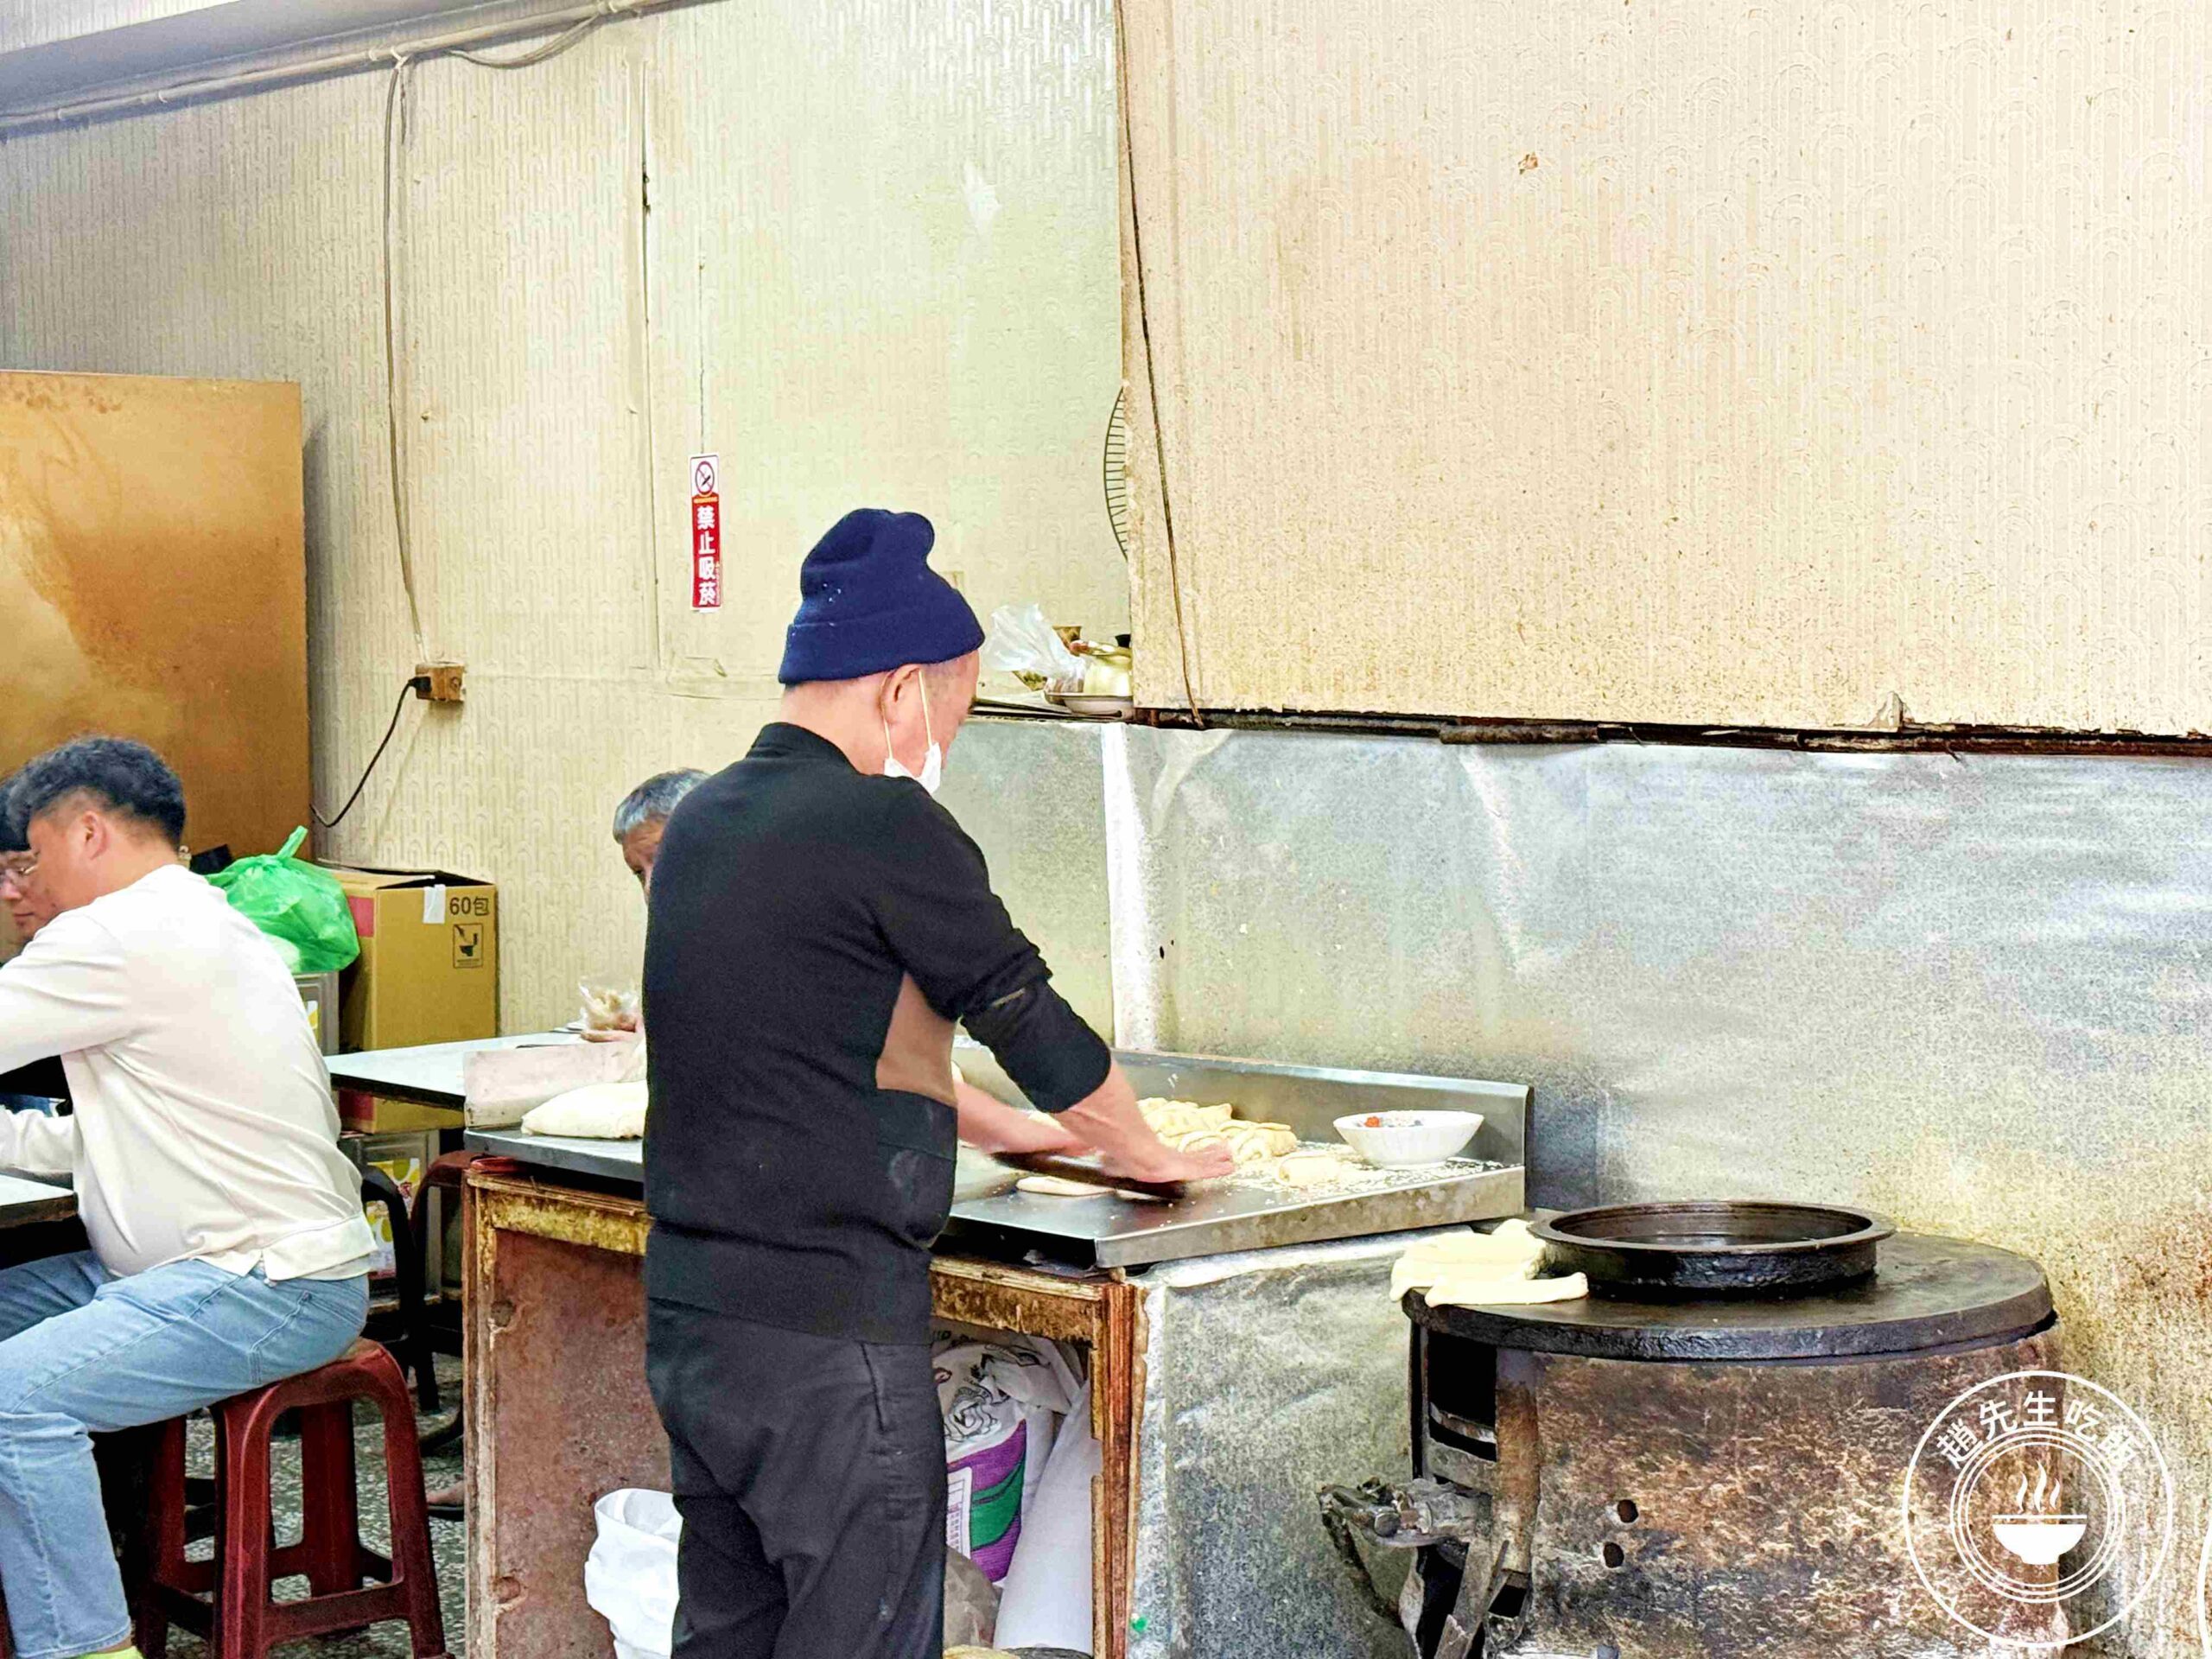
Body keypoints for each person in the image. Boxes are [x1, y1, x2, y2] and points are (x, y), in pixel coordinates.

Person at [641, 508, 1233, 1659]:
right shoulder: (884, 822)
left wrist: (1011, 1133)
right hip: (827, 1336)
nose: (946, 732)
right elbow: (1025, 1010)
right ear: (903, 686)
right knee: (860, 1635)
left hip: (697, 1324)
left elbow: (808, 1037)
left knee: (729, 1630)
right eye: (956, 704)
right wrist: (1138, 1149)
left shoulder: (704, 819)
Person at [0, 737, 375, 1659]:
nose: (18, 888)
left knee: (14, 1402)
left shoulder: (115, 933)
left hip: (260, 1282)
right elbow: (130, 1130)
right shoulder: (204, 919)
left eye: (29, 859)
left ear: (86, 832)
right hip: (203, 1266)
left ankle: (85, 1646)